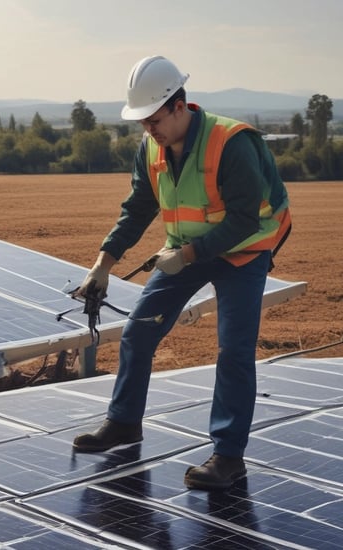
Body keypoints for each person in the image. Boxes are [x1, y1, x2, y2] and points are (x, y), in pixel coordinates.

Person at [71, 56, 291, 491]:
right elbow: (137, 209)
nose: (148, 130)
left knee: (233, 351)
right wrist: (103, 264)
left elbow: (246, 219)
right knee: (137, 332)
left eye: (153, 120)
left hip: (245, 251)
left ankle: (228, 457)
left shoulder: (231, 143)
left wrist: (189, 254)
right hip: (187, 251)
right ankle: (124, 424)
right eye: (141, 123)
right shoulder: (150, 148)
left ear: (179, 105)